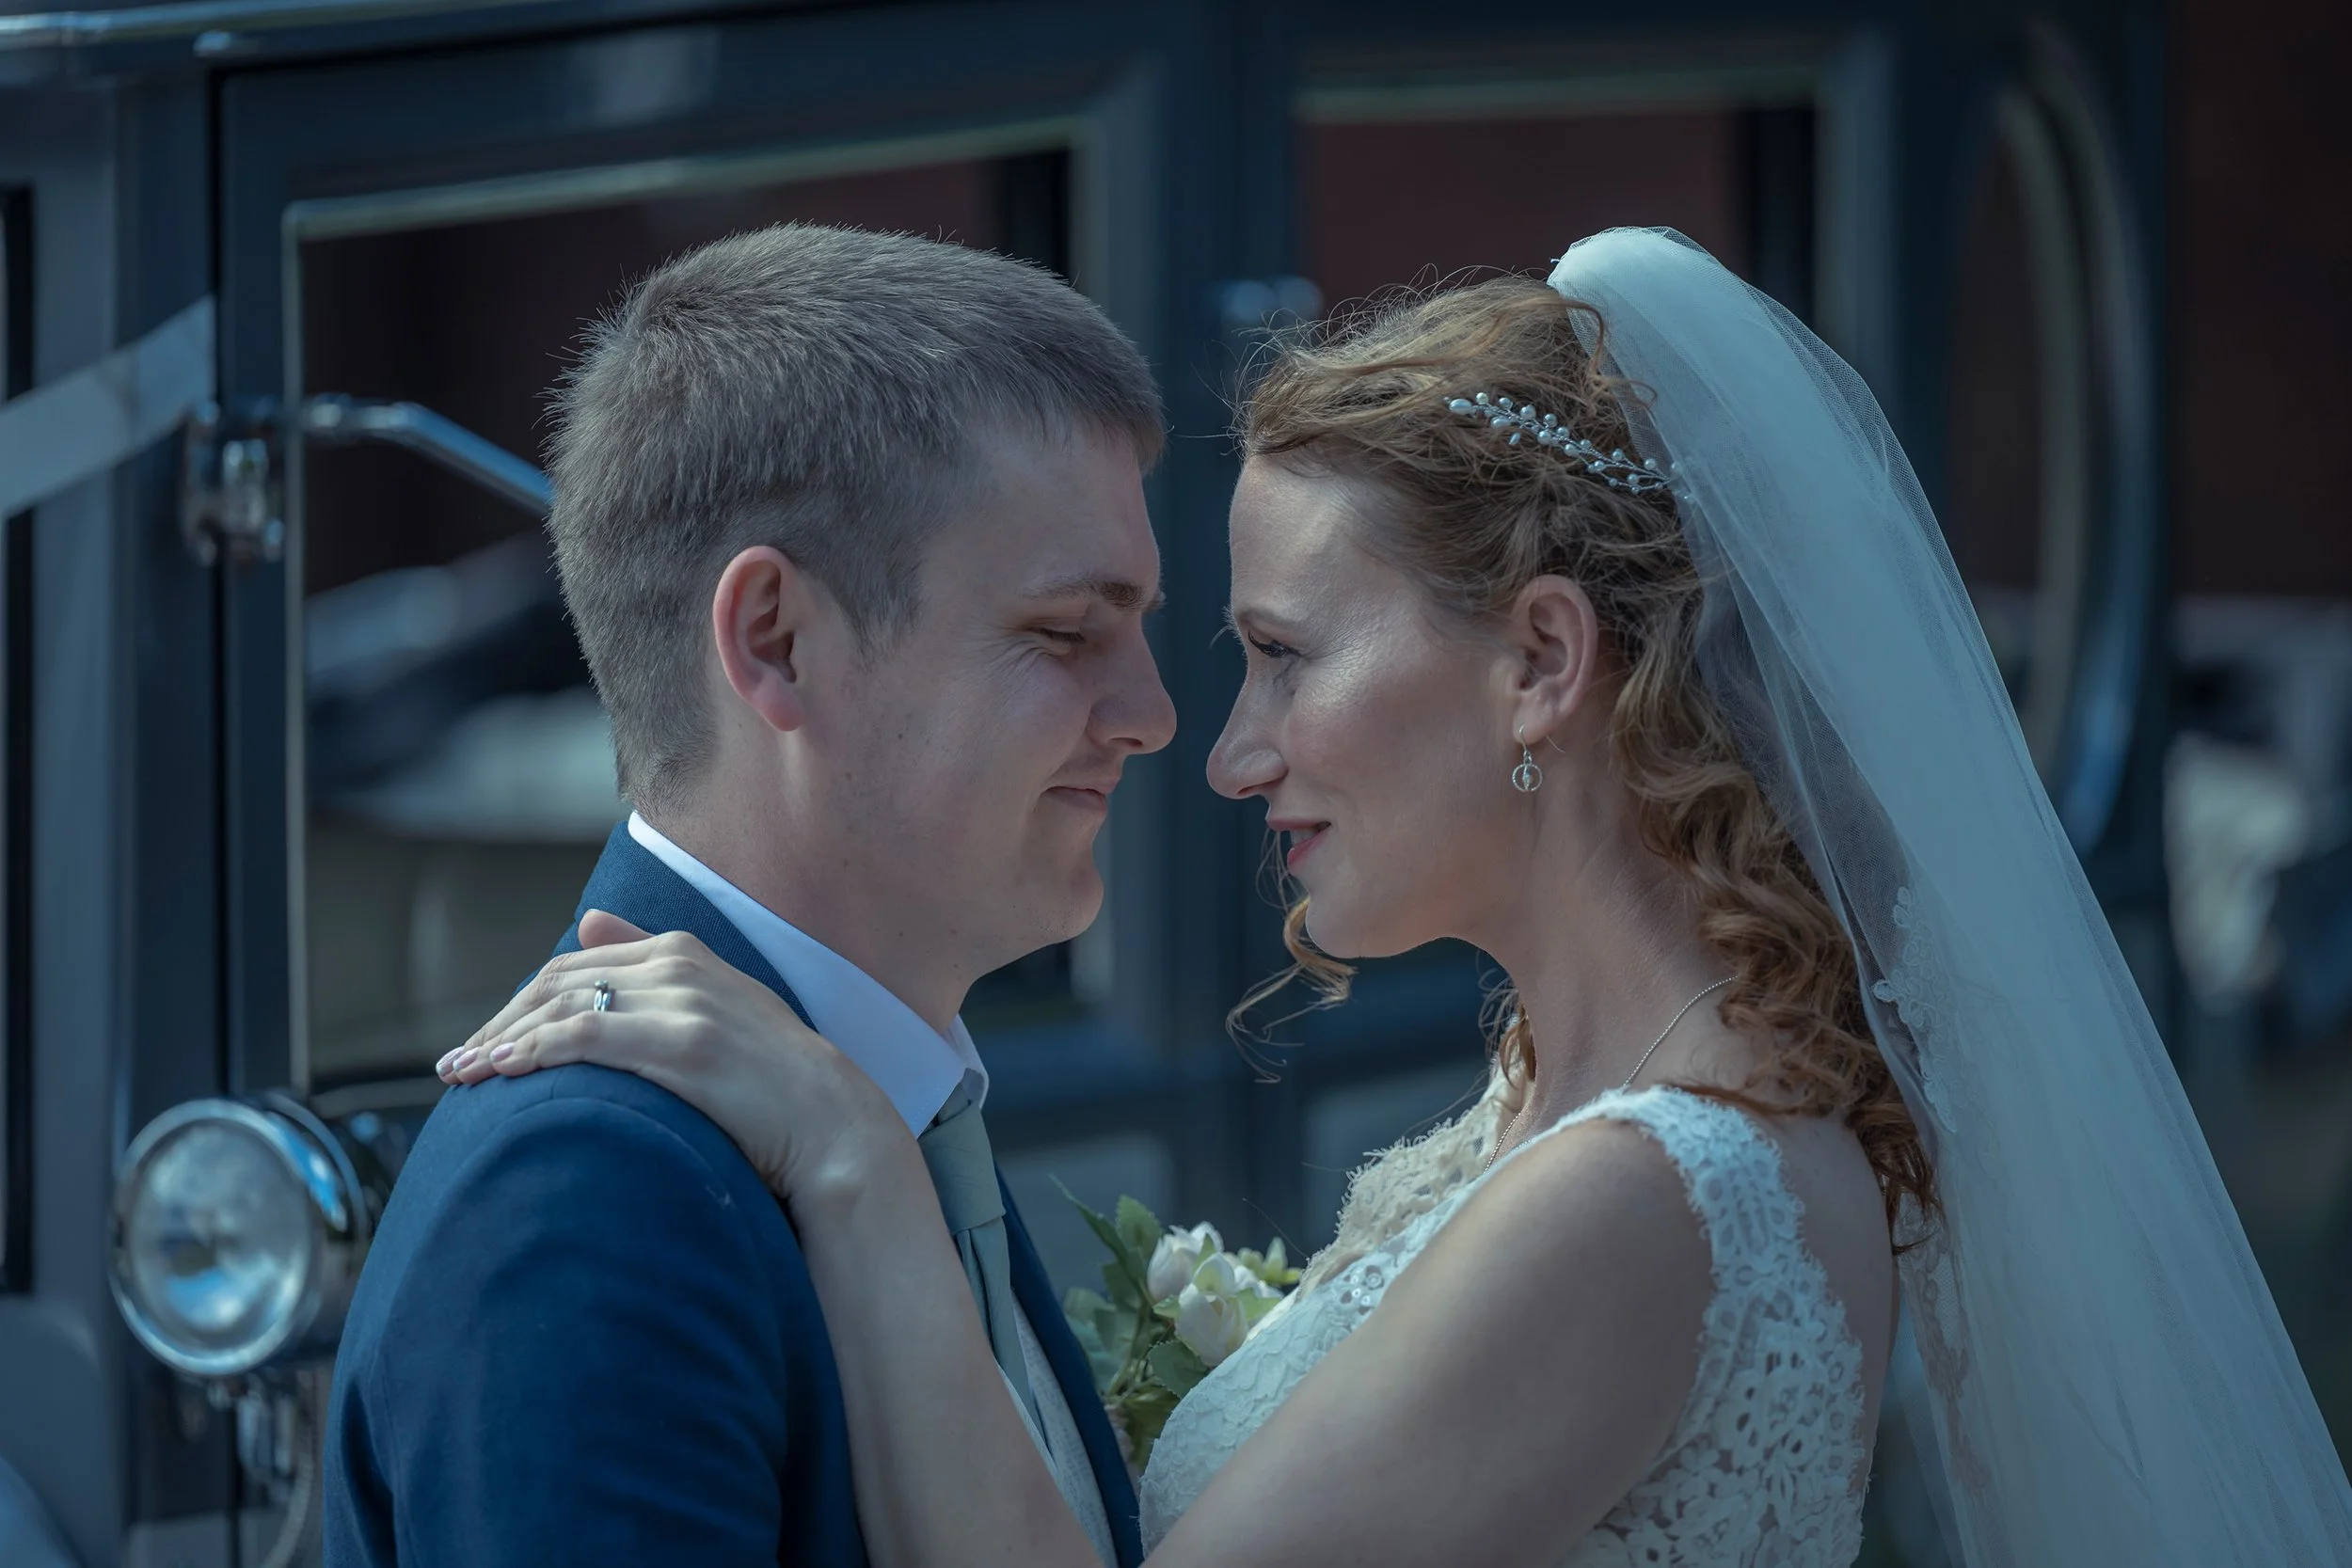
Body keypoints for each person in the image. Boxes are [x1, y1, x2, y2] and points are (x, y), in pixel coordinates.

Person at [445, 229, 2352, 1565]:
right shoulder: (1577, 1114)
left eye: (1283, 654)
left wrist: (846, 1150)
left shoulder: (1641, 1192)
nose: (1228, 747)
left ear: (1538, 660)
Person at [323, 224, 1175, 1567]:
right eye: (1066, 633)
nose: (1150, 715)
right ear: (774, 639)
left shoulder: (873, 1113)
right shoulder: (590, 1201)